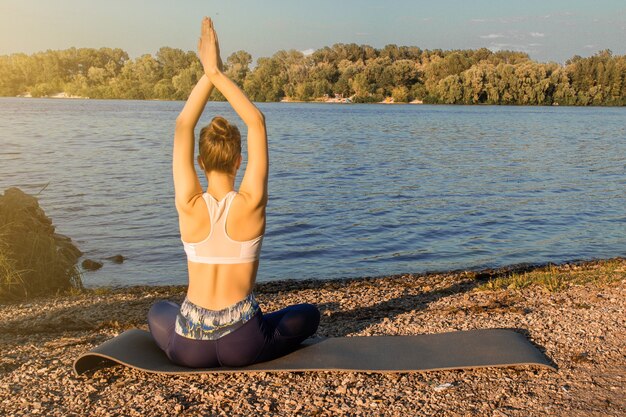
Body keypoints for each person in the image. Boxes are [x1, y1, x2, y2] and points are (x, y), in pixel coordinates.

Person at [147, 16, 320, 368]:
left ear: (199, 161)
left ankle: (184, 344)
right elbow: (256, 120)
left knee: (158, 311)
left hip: (187, 347)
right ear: (240, 160)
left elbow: (183, 124)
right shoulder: (251, 203)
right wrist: (218, 74)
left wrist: (207, 70)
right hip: (242, 343)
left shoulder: (188, 204)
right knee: (308, 314)